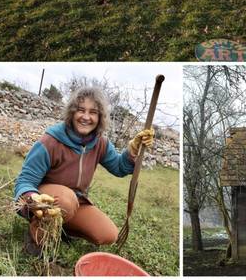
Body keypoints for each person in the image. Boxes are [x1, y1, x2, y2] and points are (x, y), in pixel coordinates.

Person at [14, 86, 154, 256]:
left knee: (108, 234)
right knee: (66, 200)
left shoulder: (99, 142)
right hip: (46, 199)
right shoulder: (50, 141)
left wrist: (132, 151)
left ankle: (61, 227)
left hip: (75, 202)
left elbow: (119, 167)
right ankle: (36, 238)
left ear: (100, 117)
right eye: (81, 110)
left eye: (93, 112)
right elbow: (24, 181)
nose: (86, 117)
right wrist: (32, 198)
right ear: (72, 113)